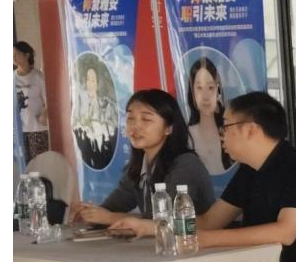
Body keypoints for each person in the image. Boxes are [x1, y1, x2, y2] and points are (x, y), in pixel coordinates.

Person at [112, 92, 296, 262]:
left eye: (226, 126)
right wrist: (149, 227)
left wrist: (204, 240)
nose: (221, 135)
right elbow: (210, 221)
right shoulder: (248, 171)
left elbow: (285, 232)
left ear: (250, 129)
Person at [69, 89, 215, 225]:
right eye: (130, 118)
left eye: (146, 119)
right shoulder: (140, 165)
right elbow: (112, 208)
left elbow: (164, 221)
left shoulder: (186, 164)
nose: (135, 126)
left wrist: (109, 218)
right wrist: (90, 212)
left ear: (169, 128)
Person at [186, 57, 233, 174]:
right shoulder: (187, 136)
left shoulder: (230, 132)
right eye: (199, 88)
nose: (205, 96)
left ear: (218, 91)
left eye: (211, 87)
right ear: (192, 92)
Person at [72, 62, 119, 170]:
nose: (90, 83)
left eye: (93, 80)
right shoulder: (81, 104)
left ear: (98, 83)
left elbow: (113, 126)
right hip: (87, 148)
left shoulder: (106, 104)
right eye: (88, 79)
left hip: (103, 148)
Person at [13, 42, 50, 163]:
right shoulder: (13, 77)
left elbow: (49, 100)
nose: (13, 57)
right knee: (24, 166)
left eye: (16, 54)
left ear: (27, 55)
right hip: (18, 131)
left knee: (39, 165)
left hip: (37, 129)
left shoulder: (38, 76)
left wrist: (44, 114)